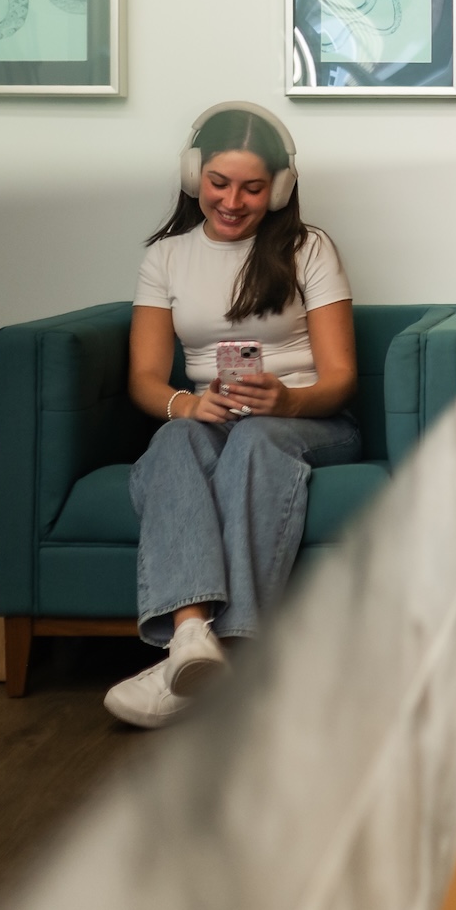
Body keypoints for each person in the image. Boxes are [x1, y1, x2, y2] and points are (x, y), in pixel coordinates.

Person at [102, 101, 359, 728]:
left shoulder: (309, 248)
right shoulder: (166, 258)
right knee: (172, 442)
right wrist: (187, 404)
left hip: (305, 421)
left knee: (255, 442)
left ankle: (234, 657)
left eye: (252, 187)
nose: (233, 201)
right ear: (195, 179)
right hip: (211, 417)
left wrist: (290, 398)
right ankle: (192, 640)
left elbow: (342, 377)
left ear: (280, 187)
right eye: (219, 183)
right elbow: (143, 377)